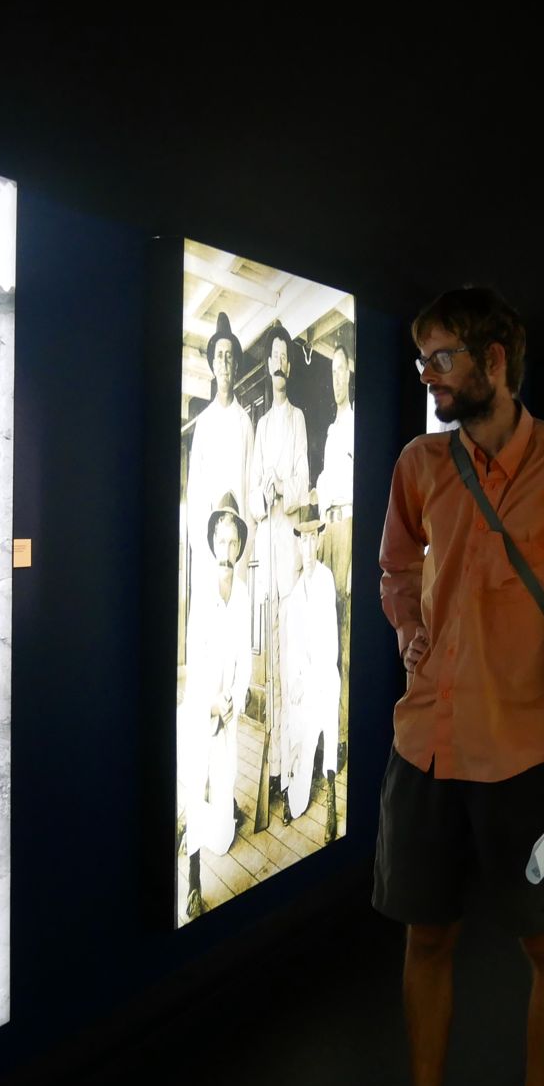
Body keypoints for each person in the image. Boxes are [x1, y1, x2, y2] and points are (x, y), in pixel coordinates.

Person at [353, 286, 544, 1086]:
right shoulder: (420, 465)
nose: (427, 375)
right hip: (427, 746)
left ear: (495, 361)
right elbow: (394, 565)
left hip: (528, 757)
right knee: (426, 936)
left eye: (443, 358)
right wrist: (408, 629)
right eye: (422, 359)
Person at [177, 493, 252, 921]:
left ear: (239, 546)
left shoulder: (242, 594)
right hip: (202, 707)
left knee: (222, 836)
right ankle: (192, 880)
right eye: (220, 542)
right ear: (212, 544)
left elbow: (243, 659)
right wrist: (211, 703)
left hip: (229, 712)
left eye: (233, 542)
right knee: (196, 780)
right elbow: (197, 659)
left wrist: (234, 699)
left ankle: (220, 814)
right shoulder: (202, 593)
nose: (227, 551)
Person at [251, 325, 310, 819]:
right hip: (265, 558)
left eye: (284, 354)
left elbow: (303, 483)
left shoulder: (297, 419)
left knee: (291, 666)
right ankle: (273, 772)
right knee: (271, 668)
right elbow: (253, 498)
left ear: (290, 365)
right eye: (272, 354)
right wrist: (263, 491)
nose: (278, 362)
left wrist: (282, 489)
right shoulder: (262, 424)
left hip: (288, 554)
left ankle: (293, 776)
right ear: (268, 365)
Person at [278, 524, 341, 835]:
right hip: (307, 679)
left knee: (328, 726)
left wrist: (313, 678)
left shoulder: (326, 580)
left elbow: (328, 640)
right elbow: (296, 645)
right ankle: (295, 796)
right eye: (303, 539)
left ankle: (331, 798)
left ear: (318, 541)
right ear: (298, 545)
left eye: (313, 538)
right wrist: (299, 680)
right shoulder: (295, 594)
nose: (308, 545)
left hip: (325, 676)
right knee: (302, 737)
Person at [184, 312, 253, 589]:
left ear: (235, 365)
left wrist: (244, 550)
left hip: (237, 551)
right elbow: (195, 493)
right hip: (209, 553)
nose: (224, 363)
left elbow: (249, 489)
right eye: (219, 356)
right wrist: (204, 550)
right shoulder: (204, 423)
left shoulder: (244, 423)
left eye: (229, 357)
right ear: (213, 364)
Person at [315, 339, 356, 770]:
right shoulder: (329, 431)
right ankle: (325, 736)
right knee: (324, 637)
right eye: (333, 372)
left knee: (344, 641)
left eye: (342, 370)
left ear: (351, 374)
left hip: (348, 529)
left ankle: (343, 736)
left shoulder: (357, 423)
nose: (337, 378)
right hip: (327, 530)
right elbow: (324, 482)